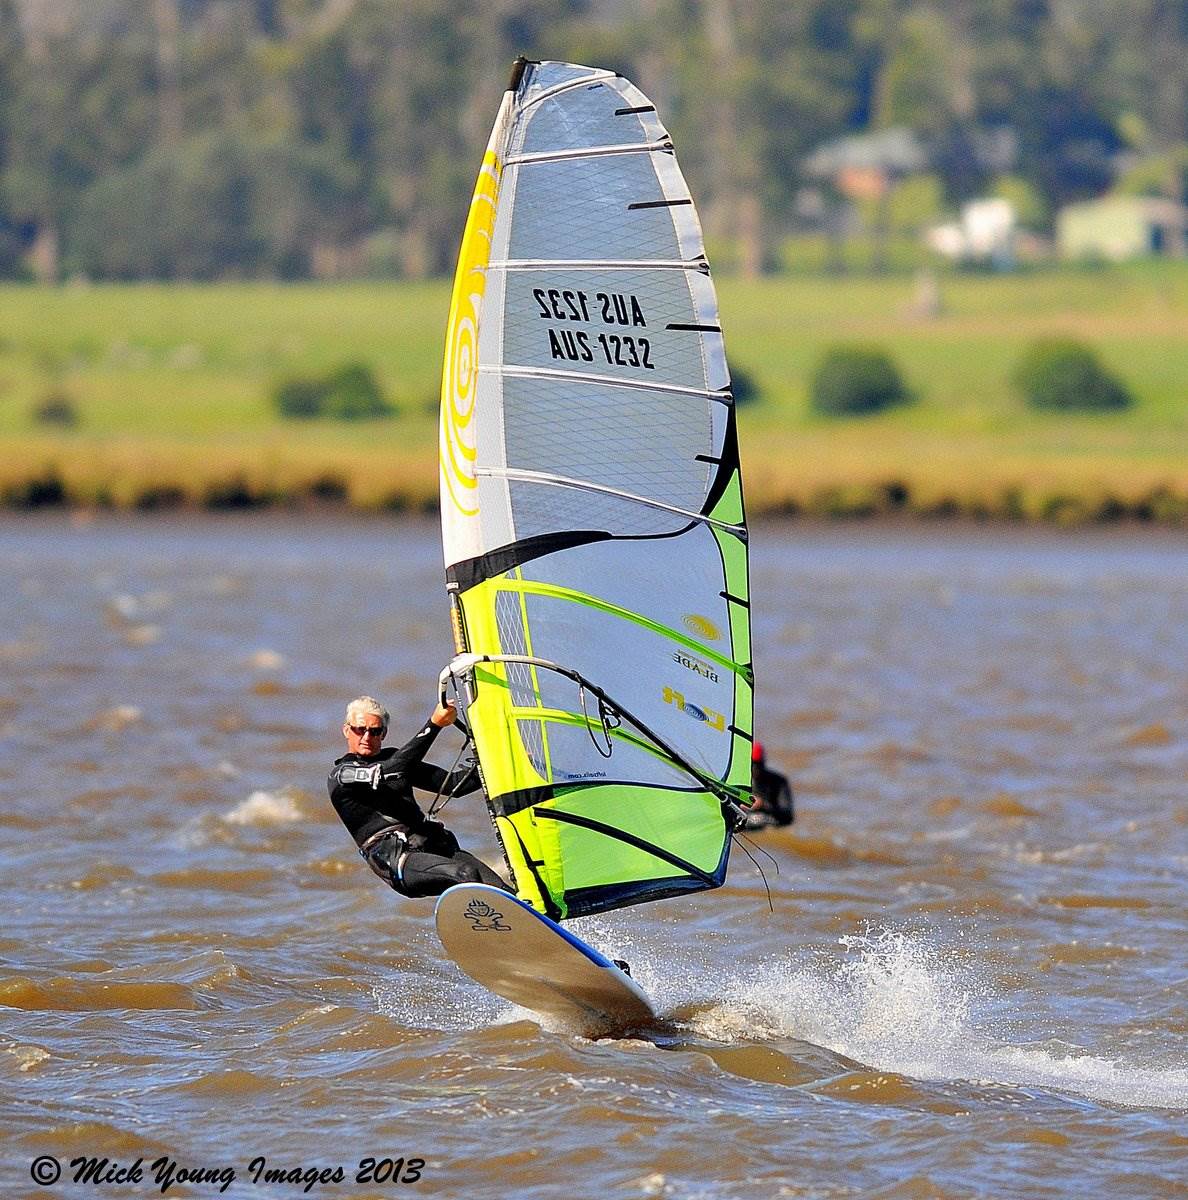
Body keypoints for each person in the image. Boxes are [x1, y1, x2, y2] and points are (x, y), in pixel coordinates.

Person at [328, 695, 509, 898]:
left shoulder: (395, 759)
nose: (367, 737)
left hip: (432, 847)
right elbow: (392, 770)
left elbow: (453, 785)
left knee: (505, 892)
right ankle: (479, 917)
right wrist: (434, 724)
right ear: (347, 730)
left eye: (375, 731)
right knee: (466, 875)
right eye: (360, 730)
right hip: (399, 861)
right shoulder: (342, 775)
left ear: (383, 734)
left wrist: (501, 763)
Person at [744, 741, 794, 831]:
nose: (755, 769)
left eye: (757, 765)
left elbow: (788, 816)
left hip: (768, 822)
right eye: (752, 765)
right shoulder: (737, 781)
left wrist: (763, 805)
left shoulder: (779, 781)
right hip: (745, 824)